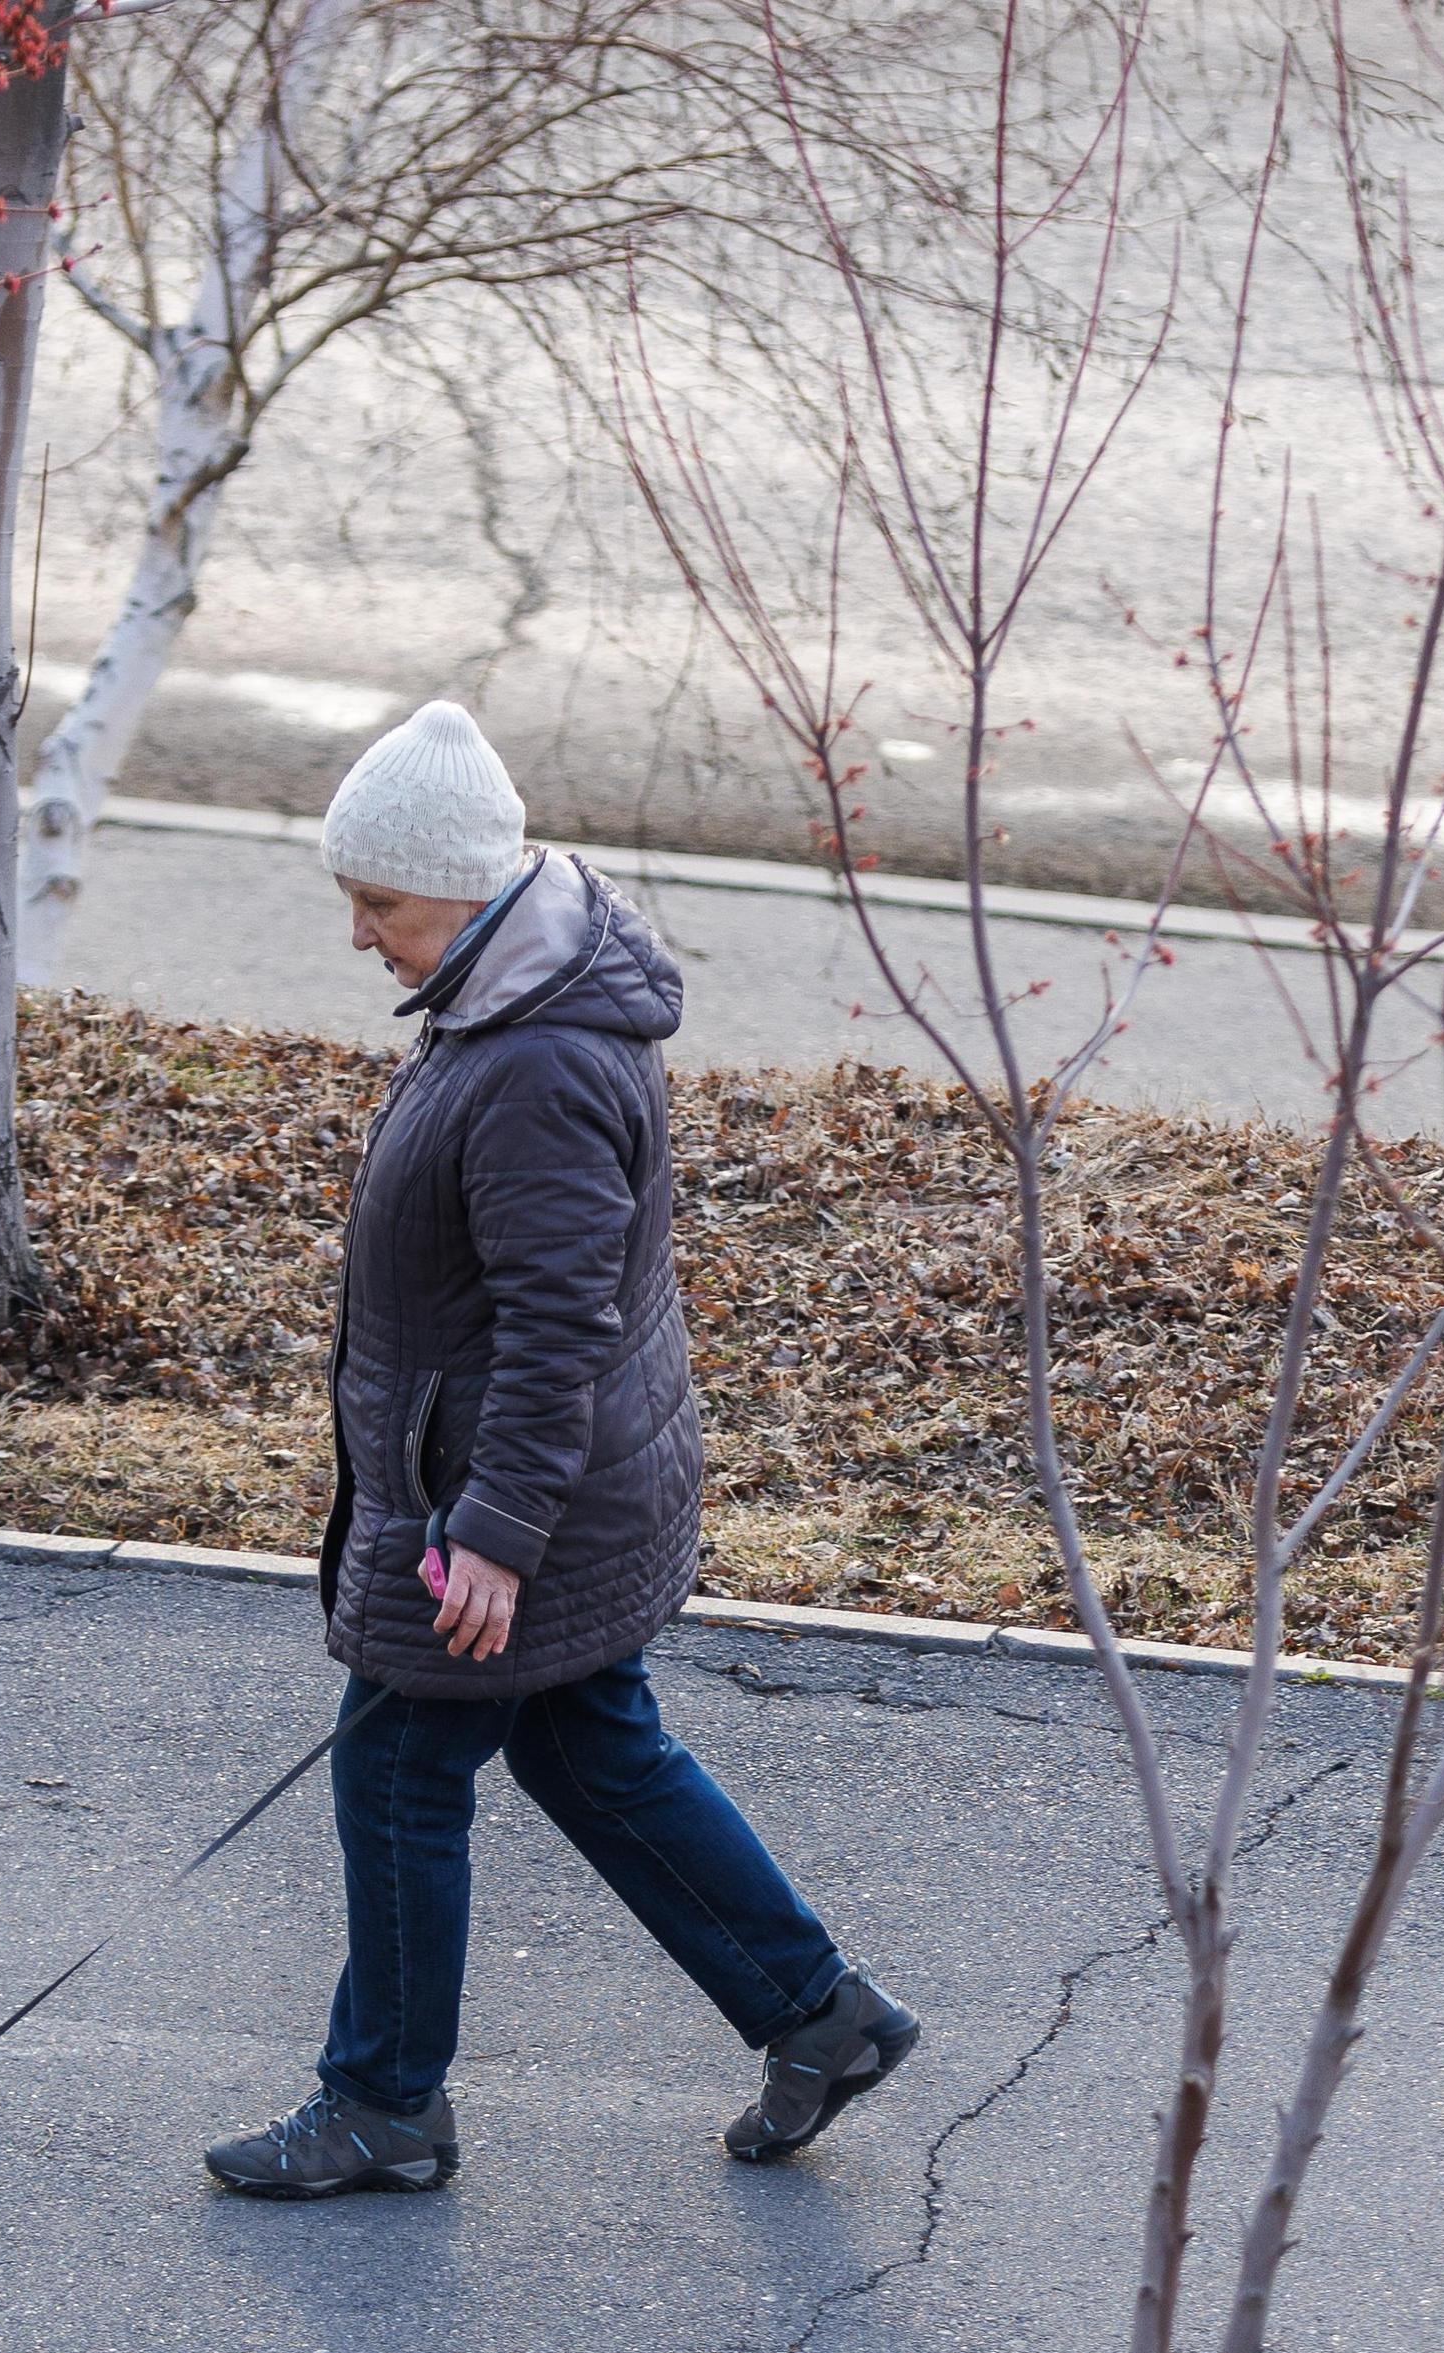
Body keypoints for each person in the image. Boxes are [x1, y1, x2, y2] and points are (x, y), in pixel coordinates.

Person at [205, 701, 918, 2200]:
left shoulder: (535, 1062)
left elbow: (557, 1323)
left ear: (463, 890)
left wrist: (493, 1532)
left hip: (515, 1499)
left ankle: (384, 2104)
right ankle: (814, 2014)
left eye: (379, 904)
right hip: (548, 1485)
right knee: (592, 1746)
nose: (360, 937)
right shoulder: (510, 1002)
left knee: (398, 1771)